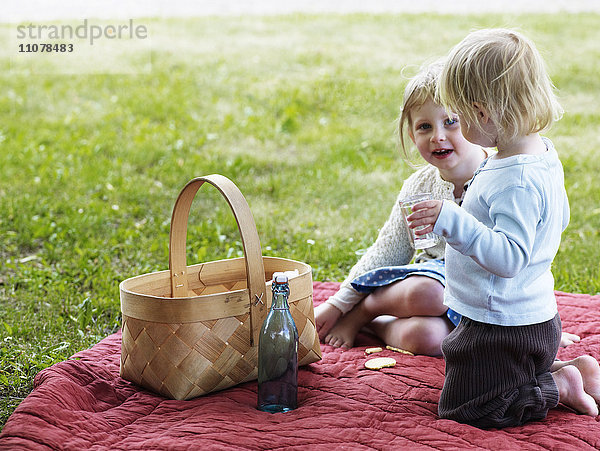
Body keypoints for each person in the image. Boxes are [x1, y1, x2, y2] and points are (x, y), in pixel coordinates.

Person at [407, 28, 600, 427]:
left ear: (482, 112)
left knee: (467, 408)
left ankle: (559, 384)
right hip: (529, 316)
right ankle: (571, 366)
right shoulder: (540, 153)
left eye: (458, 115)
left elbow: (510, 258)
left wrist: (452, 218)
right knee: (468, 373)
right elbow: (559, 216)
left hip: (502, 324)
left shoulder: (515, 180)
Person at [314, 60, 493, 355]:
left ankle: (371, 321)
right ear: (412, 136)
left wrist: (534, 328)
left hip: (484, 297)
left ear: (476, 120)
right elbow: (388, 251)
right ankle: (360, 312)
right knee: (432, 293)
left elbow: (527, 251)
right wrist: (339, 303)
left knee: (428, 339)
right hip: (432, 286)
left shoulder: (499, 177)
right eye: (425, 127)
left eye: (451, 122)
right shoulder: (419, 187)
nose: (437, 136)